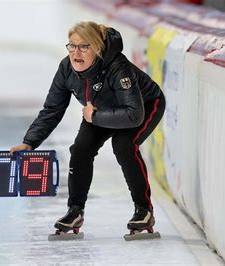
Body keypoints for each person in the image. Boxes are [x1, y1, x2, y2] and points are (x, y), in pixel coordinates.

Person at [9, 21, 166, 234]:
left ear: (98, 49)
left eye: (84, 47)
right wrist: (29, 142)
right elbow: (52, 109)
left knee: (124, 146)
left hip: (144, 106)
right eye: (72, 46)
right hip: (99, 111)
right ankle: (75, 211)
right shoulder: (66, 68)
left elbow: (133, 114)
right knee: (81, 149)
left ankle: (144, 210)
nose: (76, 53)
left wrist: (95, 115)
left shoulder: (118, 67)